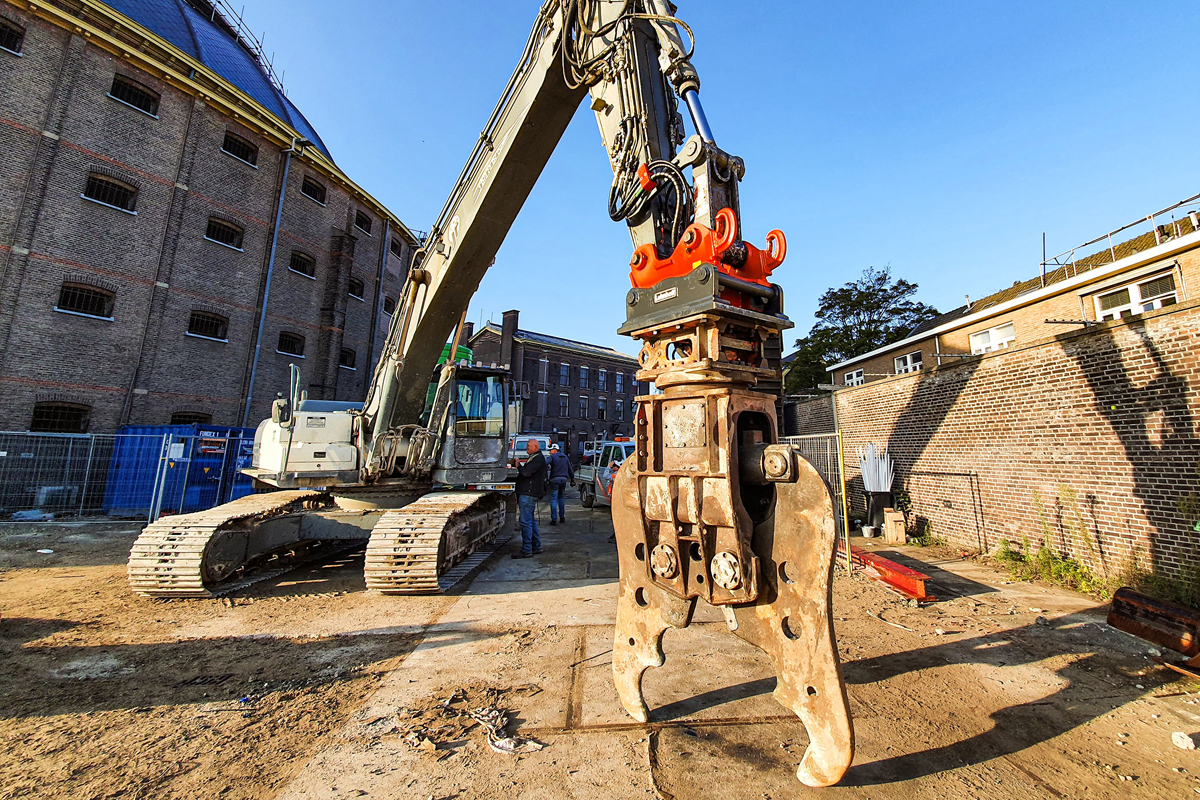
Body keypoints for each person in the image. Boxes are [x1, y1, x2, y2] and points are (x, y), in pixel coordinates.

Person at [511, 439, 547, 558]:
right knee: (530, 521)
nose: (526, 447)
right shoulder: (535, 458)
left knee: (525, 522)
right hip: (529, 492)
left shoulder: (538, 459)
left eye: (528, 446)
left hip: (528, 493)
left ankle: (527, 549)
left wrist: (518, 467)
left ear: (536, 447)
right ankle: (536, 546)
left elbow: (527, 473)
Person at [545, 444, 575, 525]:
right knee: (561, 498)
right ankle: (562, 517)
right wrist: (572, 479)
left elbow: (545, 463)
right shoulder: (565, 457)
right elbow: (570, 469)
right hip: (564, 479)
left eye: (550, 451)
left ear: (555, 450)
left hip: (554, 479)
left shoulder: (552, 457)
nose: (549, 452)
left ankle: (554, 519)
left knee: (553, 499)